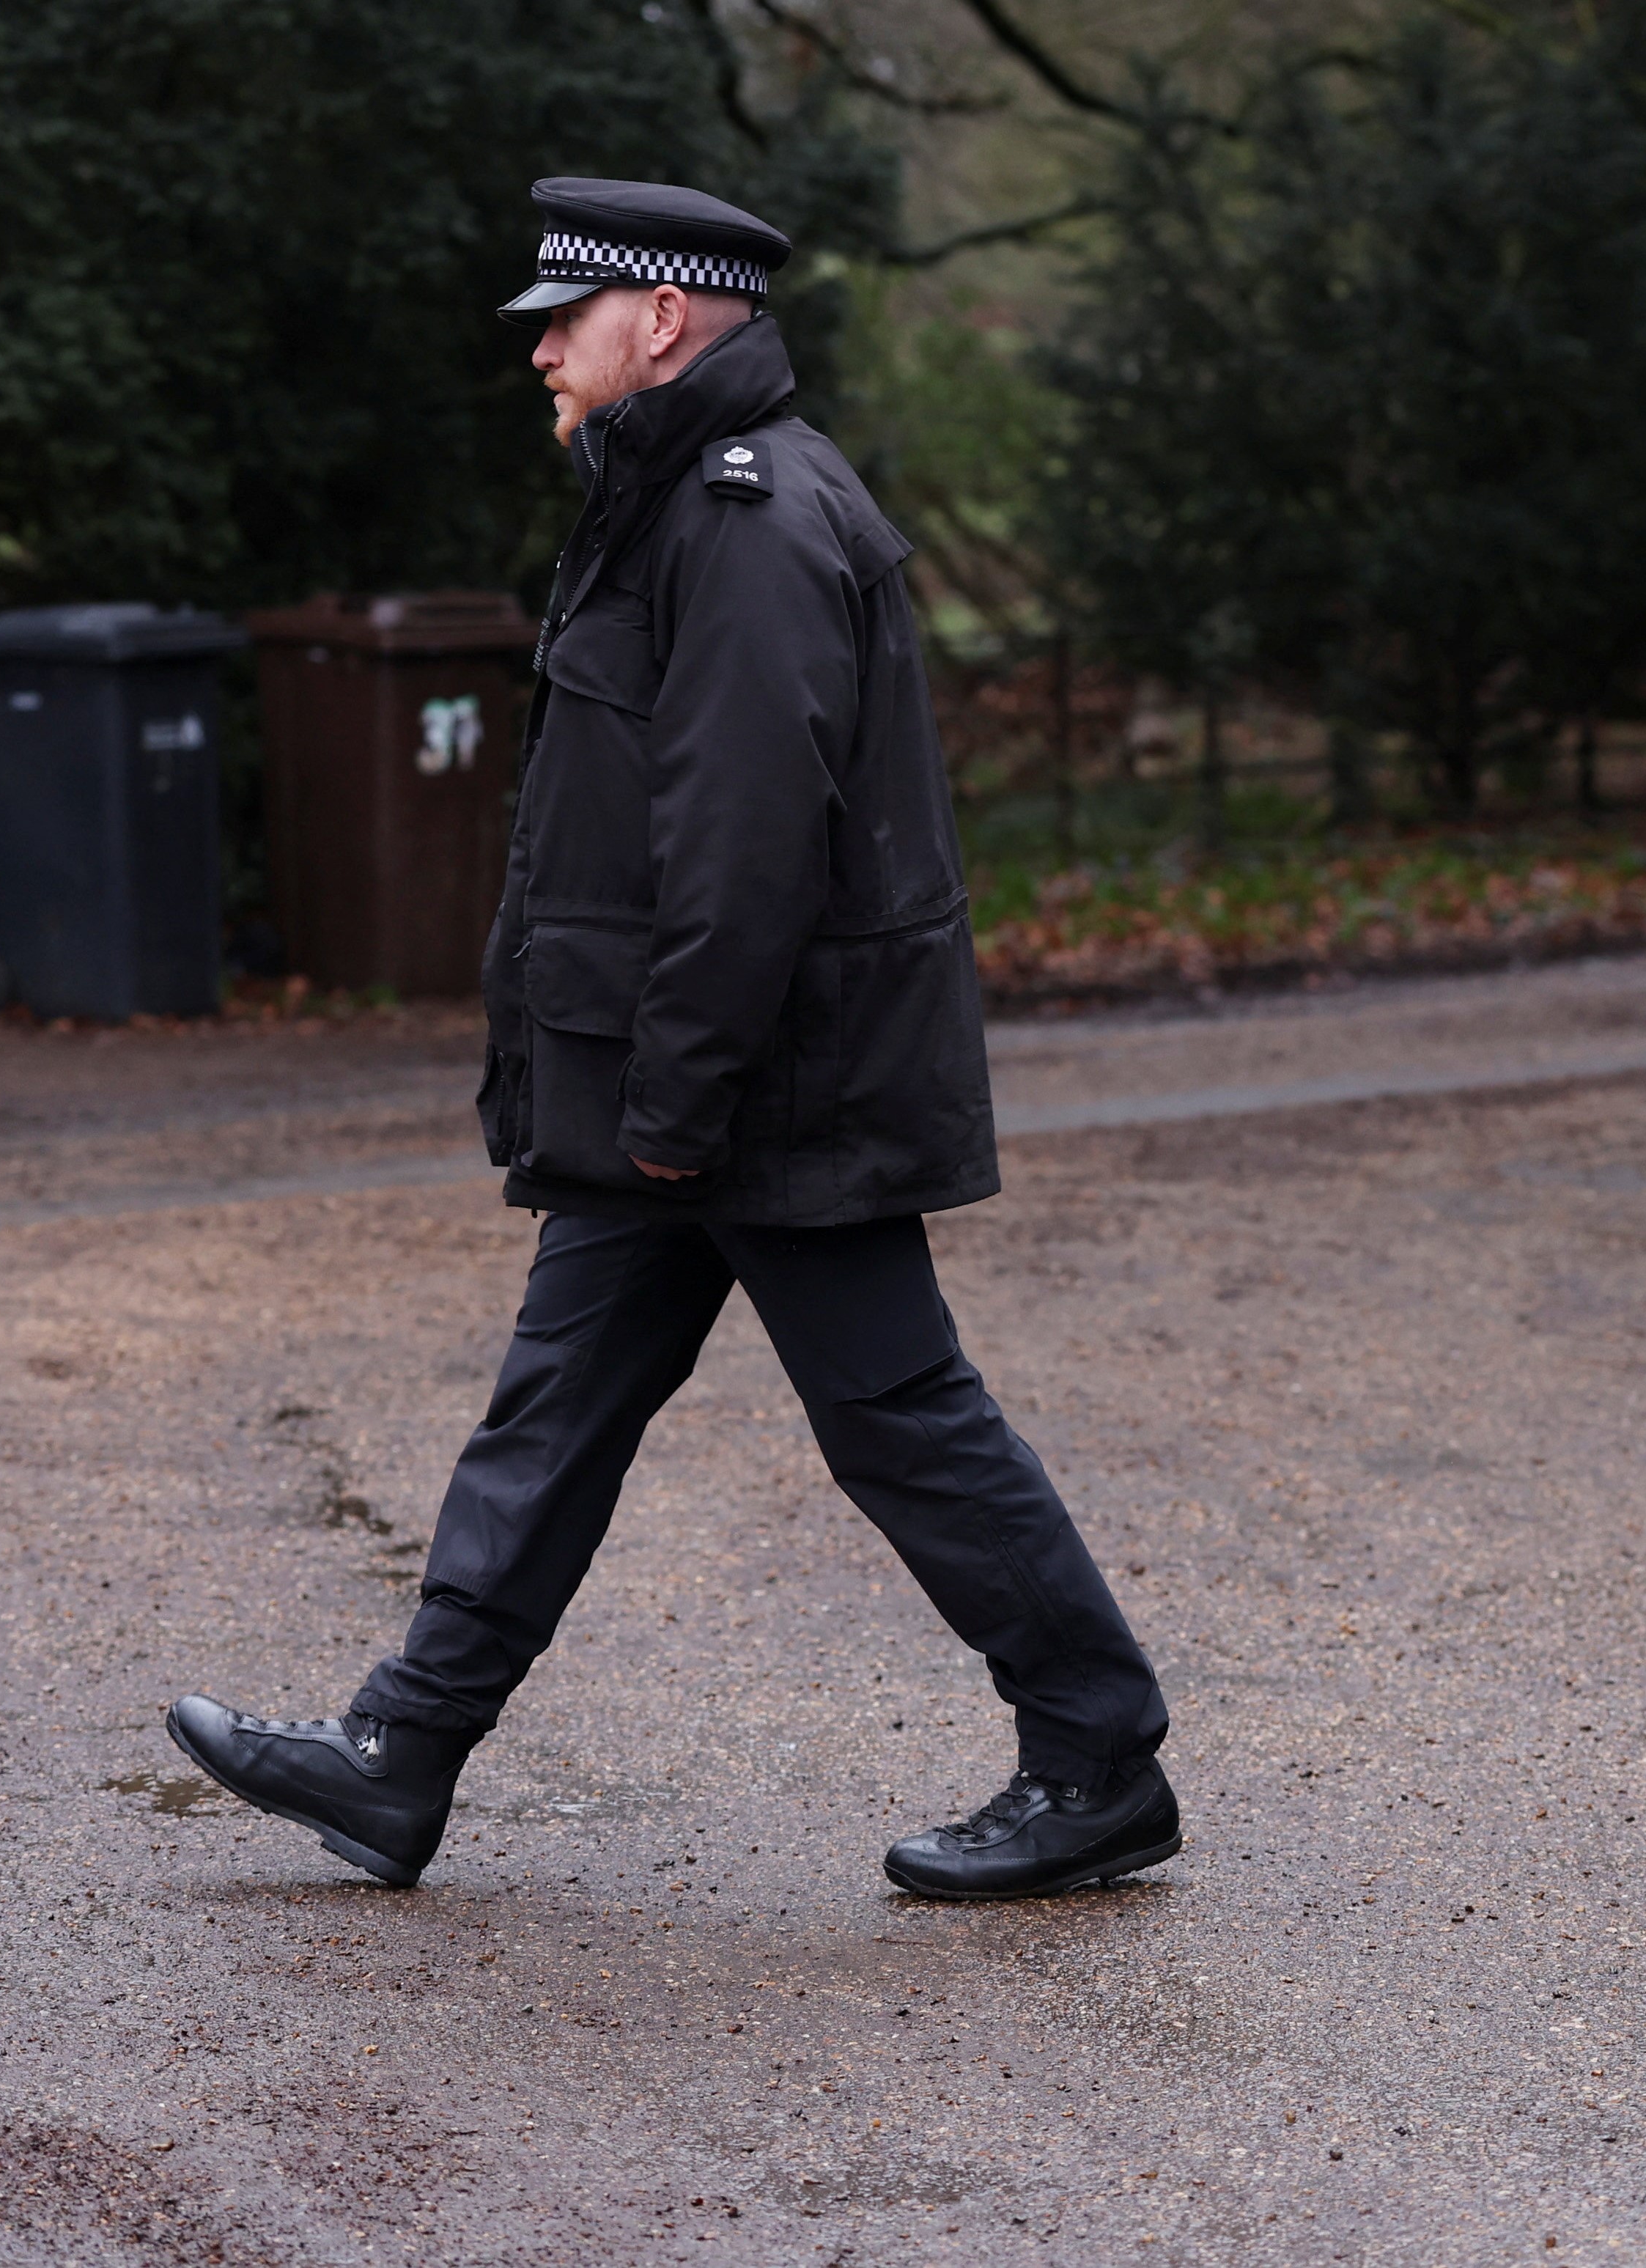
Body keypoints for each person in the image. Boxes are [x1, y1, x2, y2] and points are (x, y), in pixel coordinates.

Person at [166, 179, 1178, 1901]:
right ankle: (401, 1755)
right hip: (684, 1089)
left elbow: (744, 845)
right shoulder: (668, 509)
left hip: (758, 1092)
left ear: (660, 319)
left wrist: (673, 1100)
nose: (540, 354)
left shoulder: (750, 519)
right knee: (553, 1407)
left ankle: (1095, 1756)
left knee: (900, 1419)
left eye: (562, 321)